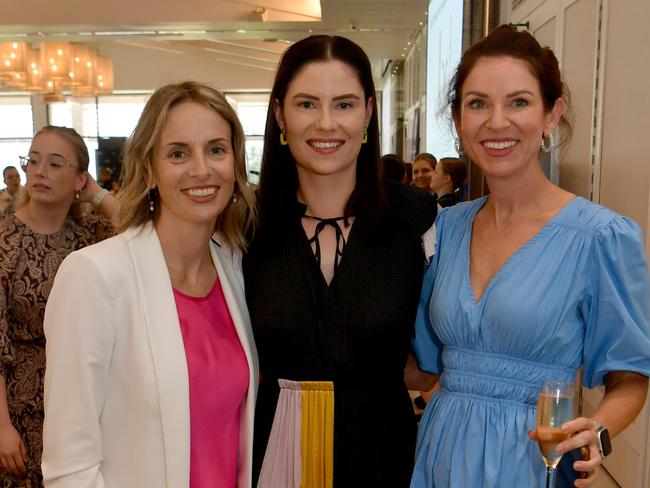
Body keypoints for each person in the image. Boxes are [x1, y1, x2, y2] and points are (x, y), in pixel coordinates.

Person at [410, 25, 650, 488]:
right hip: (440, 449)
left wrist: (597, 430)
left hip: (532, 458)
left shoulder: (599, 237)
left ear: (551, 114)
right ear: (458, 120)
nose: (497, 122)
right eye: (478, 103)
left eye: (518, 102)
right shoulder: (446, 228)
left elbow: (631, 378)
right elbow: (420, 366)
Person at [41, 82, 259, 487]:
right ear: (148, 171)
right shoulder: (96, 276)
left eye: (216, 149)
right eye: (178, 153)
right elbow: (69, 466)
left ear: (235, 163)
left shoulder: (234, 271)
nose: (201, 169)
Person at [244, 35, 436, 487]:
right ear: (280, 115)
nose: (326, 124)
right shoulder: (243, 228)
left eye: (344, 105)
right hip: (273, 453)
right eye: (307, 104)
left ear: (368, 112)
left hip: (383, 455)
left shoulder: (418, 222)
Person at [0, 126, 116, 486]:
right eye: (33, 161)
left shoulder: (90, 235)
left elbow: (145, 229)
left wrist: (95, 192)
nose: (39, 172)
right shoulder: (5, 240)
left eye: (55, 163)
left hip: (85, 399)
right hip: (19, 406)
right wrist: (2, 426)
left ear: (79, 178)